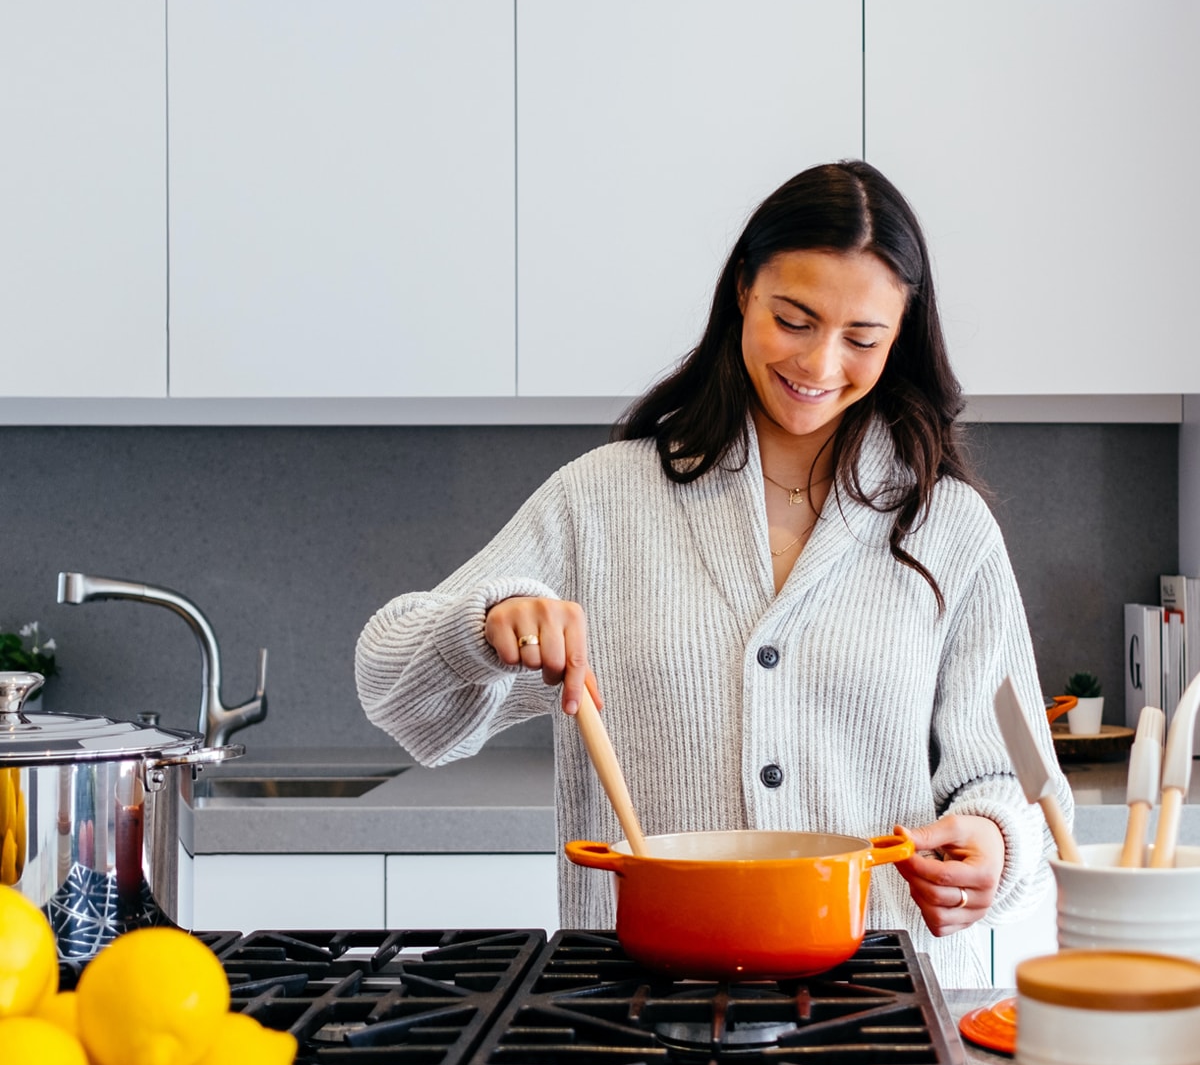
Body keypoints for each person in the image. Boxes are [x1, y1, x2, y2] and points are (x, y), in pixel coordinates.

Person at [355, 159, 1073, 988]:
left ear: (901, 334)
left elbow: (1017, 782)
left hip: (876, 1011)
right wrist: (484, 626)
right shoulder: (606, 499)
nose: (821, 363)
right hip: (634, 1007)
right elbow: (393, 689)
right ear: (743, 290)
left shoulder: (947, 526)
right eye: (794, 319)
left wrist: (990, 843)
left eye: (862, 338)